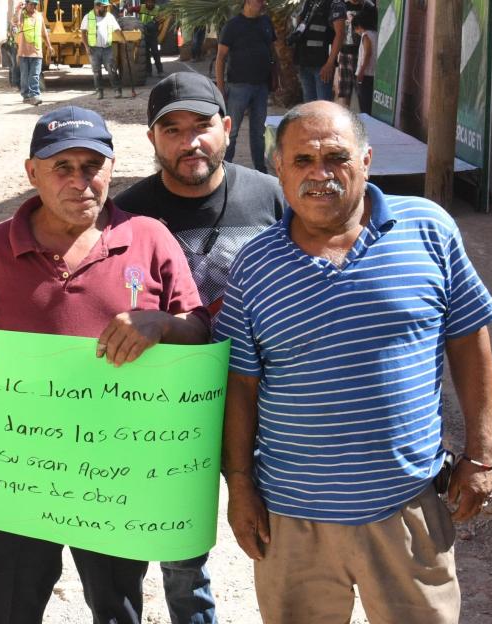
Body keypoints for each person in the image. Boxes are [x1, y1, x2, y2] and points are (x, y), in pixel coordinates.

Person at [217, 101, 492, 623]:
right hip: (291, 517)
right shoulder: (254, 265)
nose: (319, 174)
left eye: (335, 157)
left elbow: (468, 339)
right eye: (301, 160)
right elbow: (241, 385)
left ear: (367, 160)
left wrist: (481, 456)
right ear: (277, 169)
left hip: (406, 507)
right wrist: (240, 487)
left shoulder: (428, 229)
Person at [0, 105, 210, 624]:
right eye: (62, 167)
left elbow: (199, 331)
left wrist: (163, 325)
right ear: (31, 173)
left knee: (118, 605)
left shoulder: (148, 237)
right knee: (10, 604)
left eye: (92, 166)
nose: (81, 181)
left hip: (115, 474)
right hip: (16, 474)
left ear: (111, 167)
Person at [114, 71, 285, 624]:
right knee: (177, 555)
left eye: (203, 126)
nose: (190, 141)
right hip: (167, 411)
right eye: (173, 129)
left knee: (275, 538)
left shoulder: (270, 196)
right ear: (152, 139)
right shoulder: (127, 215)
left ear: (228, 128)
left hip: (262, 402)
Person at [215, 0, 275, 172]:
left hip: (261, 86)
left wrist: (276, 76)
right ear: (247, 1)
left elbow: (272, 50)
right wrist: (220, 88)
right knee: (231, 132)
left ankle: (260, 170)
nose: (262, 3)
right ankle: (225, 169)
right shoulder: (232, 26)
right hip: (238, 87)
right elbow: (220, 58)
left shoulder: (266, 22)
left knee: (258, 133)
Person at [291, 0, 347, 102]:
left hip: (322, 66)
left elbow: (340, 34)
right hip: (304, 62)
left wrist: (330, 63)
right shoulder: (307, 2)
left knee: (323, 107)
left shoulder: (335, 3)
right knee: (309, 107)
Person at [335, 0, 375, 108]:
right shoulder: (341, 5)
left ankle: (363, 116)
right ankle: (346, 118)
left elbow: (372, 28)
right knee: (344, 90)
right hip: (344, 52)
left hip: (360, 53)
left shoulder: (368, 6)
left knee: (361, 91)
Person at [81, 0, 123, 99]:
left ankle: (117, 90)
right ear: (97, 6)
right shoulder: (88, 17)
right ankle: (99, 91)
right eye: (104, 7)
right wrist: (87, 47)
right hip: (93, 49)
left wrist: (122, 39)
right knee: (96, 72)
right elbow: (83, 33)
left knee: (111, 69)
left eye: (106, 7)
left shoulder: (109, 16)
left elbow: (117, 29)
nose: (105, 8)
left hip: (107, 48)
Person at [13, 0, 52, 105]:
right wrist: (18, 10)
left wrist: (49, 46)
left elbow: (44, 33)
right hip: (24, 51)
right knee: (25, 76)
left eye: (35, 5)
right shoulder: (22, 15)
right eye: (31, 4)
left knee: (35, 74)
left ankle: (35, 95)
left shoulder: (39, 16)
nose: (34, 7)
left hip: (37, 51)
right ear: (27, 4)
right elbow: (15, 22)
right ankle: (26, 96)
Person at [352, 9, 377, 113]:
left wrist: (361, 71)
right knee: (370, 104)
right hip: (373, 74)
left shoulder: (365, 35)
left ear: (359, 26)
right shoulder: (375, 34)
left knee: (364, 105)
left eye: (355, 28)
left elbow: (367, 54)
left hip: (365, 74)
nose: (355, 31)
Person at [140, 0, 164, 77]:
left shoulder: (158, 9)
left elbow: (162, 18)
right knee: (146, 54)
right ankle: (148, 71)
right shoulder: (141, 7)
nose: (150, 4)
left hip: (153, 35)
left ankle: (160, 71)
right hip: (144, 34)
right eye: (148, 2)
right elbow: (130, 9)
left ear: (154, 3)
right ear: (146, 2)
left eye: (152, 2)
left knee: (155, 53)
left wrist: (155, 22)